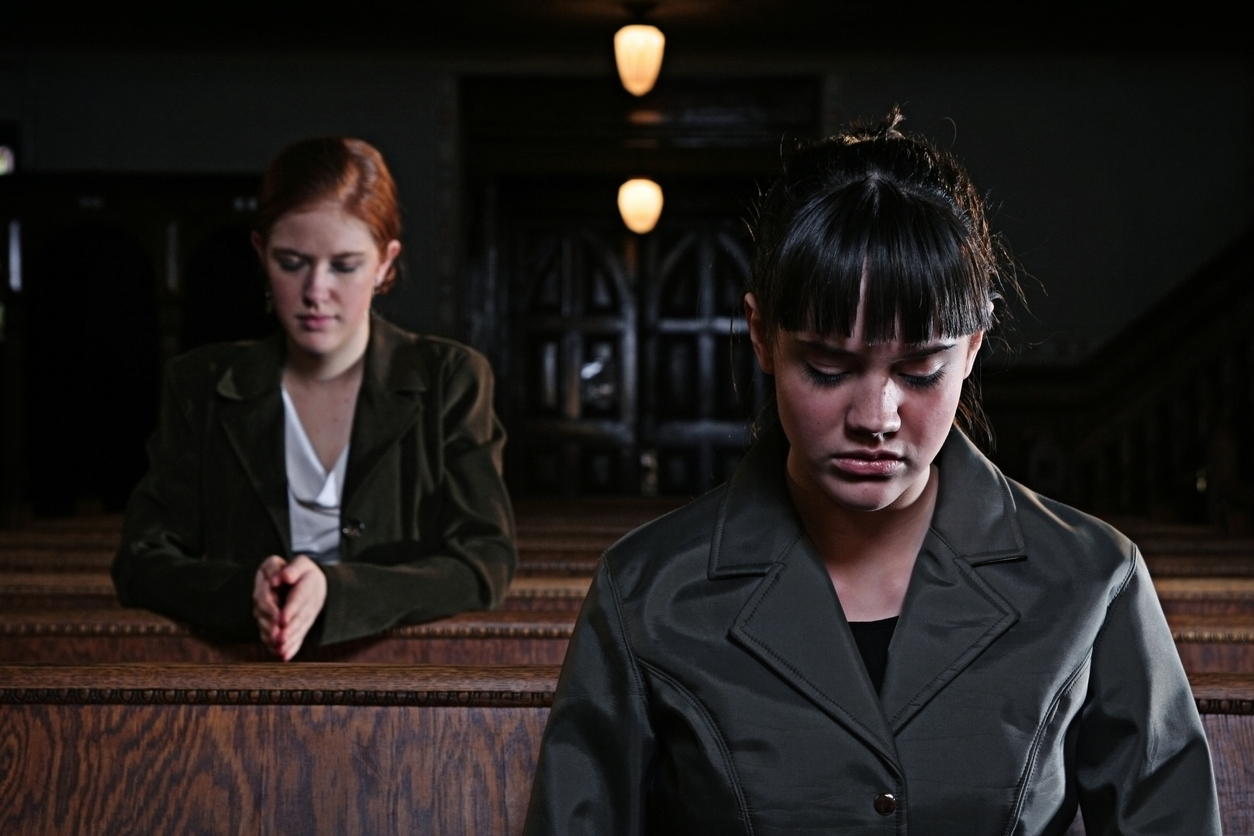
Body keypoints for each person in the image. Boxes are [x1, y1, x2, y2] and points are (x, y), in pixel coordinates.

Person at [524, 111, 1220, 834]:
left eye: (920, 371)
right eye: (828, 368)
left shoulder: (1091, 579)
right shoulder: (646, 592)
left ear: (973, 348)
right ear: (762, 335)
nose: (876, 415)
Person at [112, 137, 516, 660]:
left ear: (385, 264)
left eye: (344, 265)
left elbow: (485, 563)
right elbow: (141, 562)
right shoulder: (200, 384)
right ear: (261, 254)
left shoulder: (452, 379)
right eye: (292, 262)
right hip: (239, 687)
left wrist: (337, 590)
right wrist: (243, 593)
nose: (315, 291)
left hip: (402, 691)